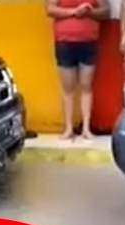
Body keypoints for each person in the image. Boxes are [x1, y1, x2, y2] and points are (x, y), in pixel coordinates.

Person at [47, 0, 109, 140]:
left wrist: (89, 12)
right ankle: (68, 128)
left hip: (88, 42)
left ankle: (86, 128)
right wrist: (75, 12)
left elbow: (105, 11)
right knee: (67, 88)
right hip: (64, 42)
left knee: (86, 86)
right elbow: (50, 9)